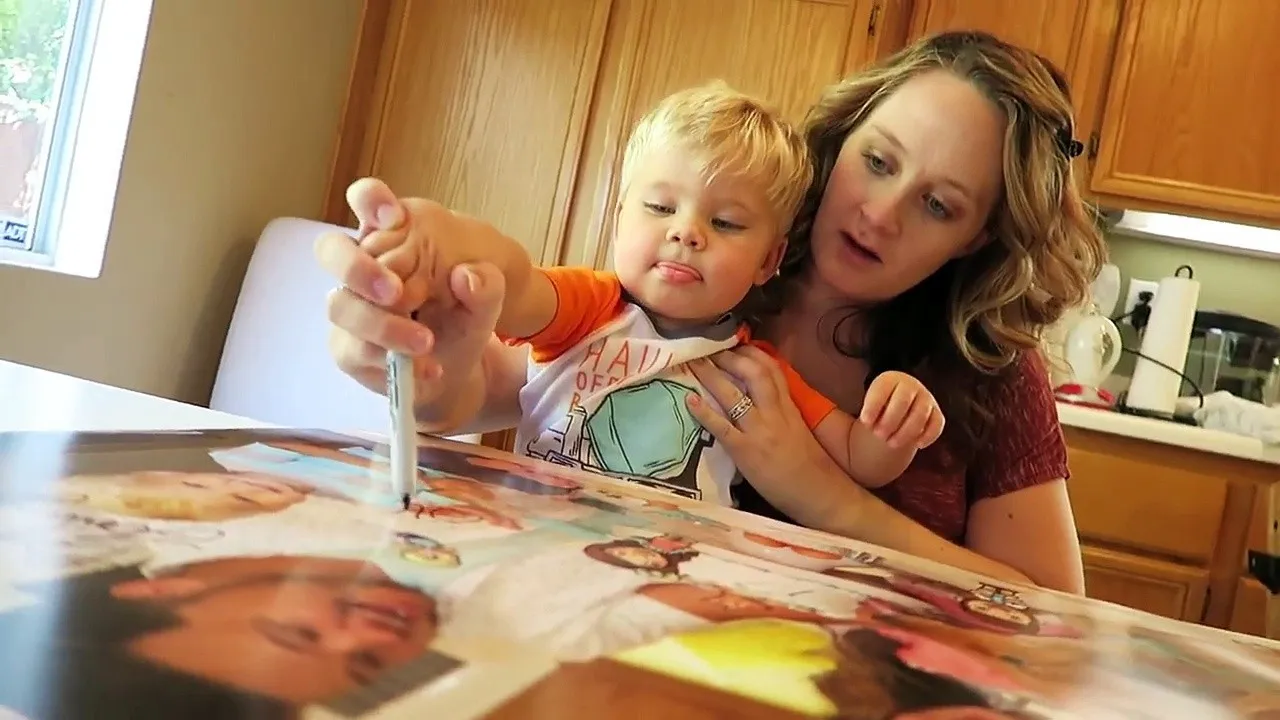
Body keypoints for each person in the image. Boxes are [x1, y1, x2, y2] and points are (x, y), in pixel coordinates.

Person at [317, 30, 1106, 593]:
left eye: (937, 203)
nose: (882, 213)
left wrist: (824, 498)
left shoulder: (990, 369)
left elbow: (1053, 611)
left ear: (977, 239)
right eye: (877, 161)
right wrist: (425, 357)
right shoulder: (706, 273)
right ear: (843, 138)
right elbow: (498, 373)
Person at [350, 82, 944, 507]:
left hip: (675, 573)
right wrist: (448, 239)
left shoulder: (756, 373)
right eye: (660, 207)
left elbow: (859, 460)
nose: (685, 232)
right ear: (618, 219)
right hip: (538, 534)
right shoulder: (589, 308)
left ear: (768, 261)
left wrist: (895, 419)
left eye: (727, 224)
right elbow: (517, 284)